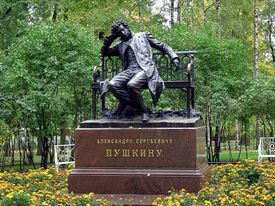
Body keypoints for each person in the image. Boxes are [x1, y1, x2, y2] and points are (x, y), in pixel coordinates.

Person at [101, 20, 179, 122]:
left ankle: (143, 112)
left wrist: (174, 57)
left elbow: (162, 45)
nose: (123, 32)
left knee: (132, 85)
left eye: (123, 29)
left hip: (144, 69)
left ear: (127, 27)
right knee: (112, 85)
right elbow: (104, 52)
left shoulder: (142, 36)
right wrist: (110, 40)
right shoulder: (120, 45)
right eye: (119, 32)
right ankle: (142, 108)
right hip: (129, 71)